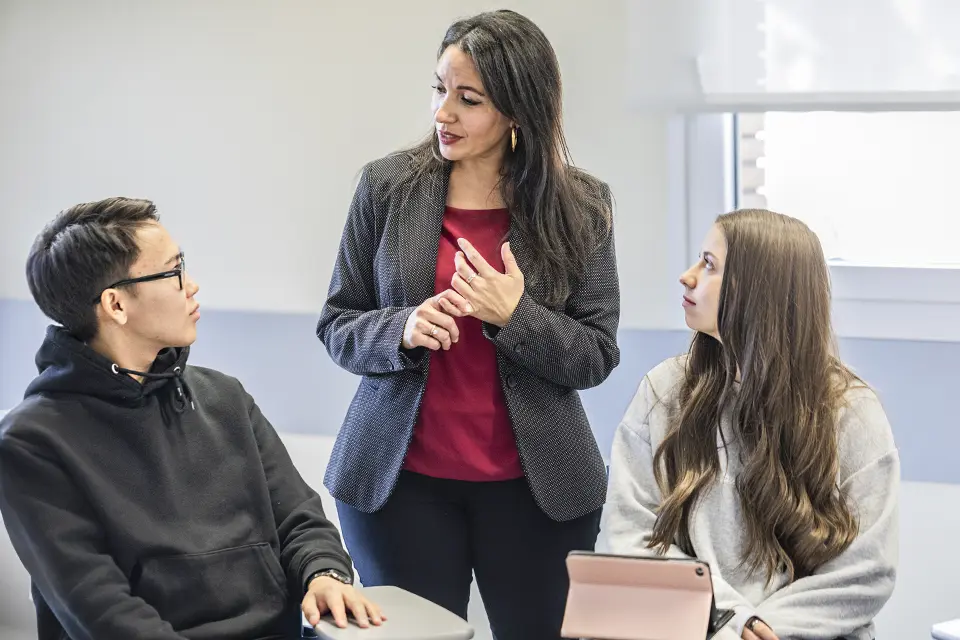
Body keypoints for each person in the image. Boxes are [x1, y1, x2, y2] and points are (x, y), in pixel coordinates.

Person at [316, 9, 620, 639]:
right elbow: (337, 323)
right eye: (439, 89)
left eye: (468, 99)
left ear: (517, 111)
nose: (442, 113)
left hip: (540, 493)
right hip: (399, 488)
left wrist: (517, 318)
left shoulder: (583, 204)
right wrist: (399, 329)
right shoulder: (386, 187)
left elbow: (596, 353)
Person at [0, 198, 383, 639]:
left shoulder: (224, 397)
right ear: (115, 305)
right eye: (173, 271)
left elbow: (299, 517)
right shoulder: (33, 441)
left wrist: (323, 575)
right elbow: (100, 609)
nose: (192, 285)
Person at [602, 209, 899, 640]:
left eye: (709, 265)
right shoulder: (663, 392)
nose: (686, 277)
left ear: (758, 290)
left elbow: (868, 569)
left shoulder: (853, 412)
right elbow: (627, 535)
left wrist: (765, 629)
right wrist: (729, 621)